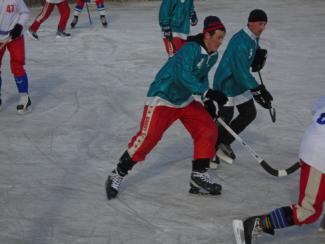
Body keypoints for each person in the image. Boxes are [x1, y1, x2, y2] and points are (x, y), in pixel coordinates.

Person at [105, 16, 228, 200]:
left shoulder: (213, 55)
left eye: (222, 38)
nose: (220, 42)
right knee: (149, 137)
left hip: (184, 99)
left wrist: (207, 99)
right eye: (218, 37)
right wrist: (207, 92)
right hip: (163, 96)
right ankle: (118, 173)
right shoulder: (190, 49)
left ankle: (198, 175)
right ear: (207, 35)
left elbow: (201, 76)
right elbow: (183, 76)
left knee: (207, 128)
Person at [232, 96, 325, 244]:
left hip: (314, 140)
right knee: (308, 212)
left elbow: (316, 108)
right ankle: (255, 224)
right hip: (320, 156)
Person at [211, 9, 273, 166]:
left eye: (264, 24)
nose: (262, 28)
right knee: (225, 117)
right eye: (260, 24)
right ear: (250, 23)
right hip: (226, 84)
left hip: (239, 84)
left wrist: (257, 55)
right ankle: (209, 150)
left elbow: (247, 60)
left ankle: (223, 142)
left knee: (249, 113)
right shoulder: (240, 42)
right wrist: (258, 89)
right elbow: (239, 72)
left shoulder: (252, 37)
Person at [0, 0, 31, 114]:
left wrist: (19, 25)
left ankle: (24, 97)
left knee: (17, 64)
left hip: (14, 36)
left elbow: (25, 13)